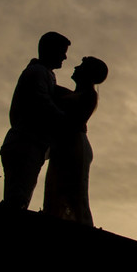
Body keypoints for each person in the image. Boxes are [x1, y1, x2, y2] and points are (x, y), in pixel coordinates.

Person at [0, 31, 70, 209]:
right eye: (62, 51)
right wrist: (67, 121)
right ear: (50, 50)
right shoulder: (37, 72)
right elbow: (42, 103)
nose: (65, 56)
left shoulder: (44, 73)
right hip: (25, 142)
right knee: (17, 197)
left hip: (32, 143)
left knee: (21, 194)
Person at [43, 56, 108, 225]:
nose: (76, 67)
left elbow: (70, 118)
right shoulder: (75, 94)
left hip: (74, 147)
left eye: (82, 66)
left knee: (73, 191)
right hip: (67, 145)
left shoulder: (88, 96)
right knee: (57, 189)